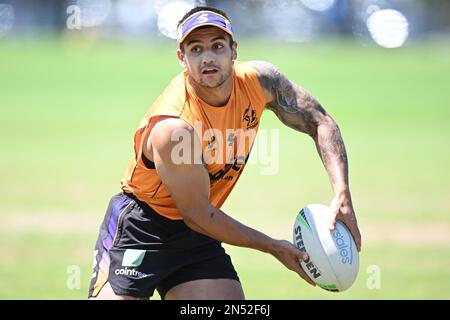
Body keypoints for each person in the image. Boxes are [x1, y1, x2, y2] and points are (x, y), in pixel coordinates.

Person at [88, 6, 362, 300]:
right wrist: (272, 246)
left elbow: (319, 121)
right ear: (182, 58)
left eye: (217, 46)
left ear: (234, 50)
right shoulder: (174, 127)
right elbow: (197, 213)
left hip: (195, 235)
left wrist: (342, 193)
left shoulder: (260, 82)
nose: (208, 57)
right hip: (142, 229)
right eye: (196, 49)